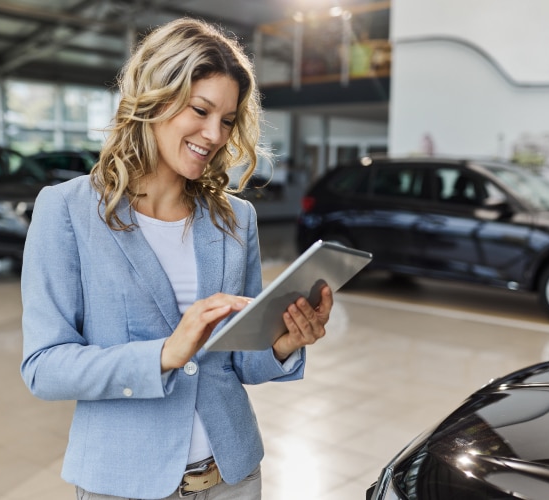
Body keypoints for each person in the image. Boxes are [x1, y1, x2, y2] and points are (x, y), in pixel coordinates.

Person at [20, 17, 333, 500]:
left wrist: (283, 342)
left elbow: (240, 363)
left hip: (233, 476)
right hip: (125, 484)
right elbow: (44, 366)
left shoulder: (236, 219)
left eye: (228, 120)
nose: (214, 134)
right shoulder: (66, 210)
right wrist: (164, 355)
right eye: (201, 110)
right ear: (156, 98)